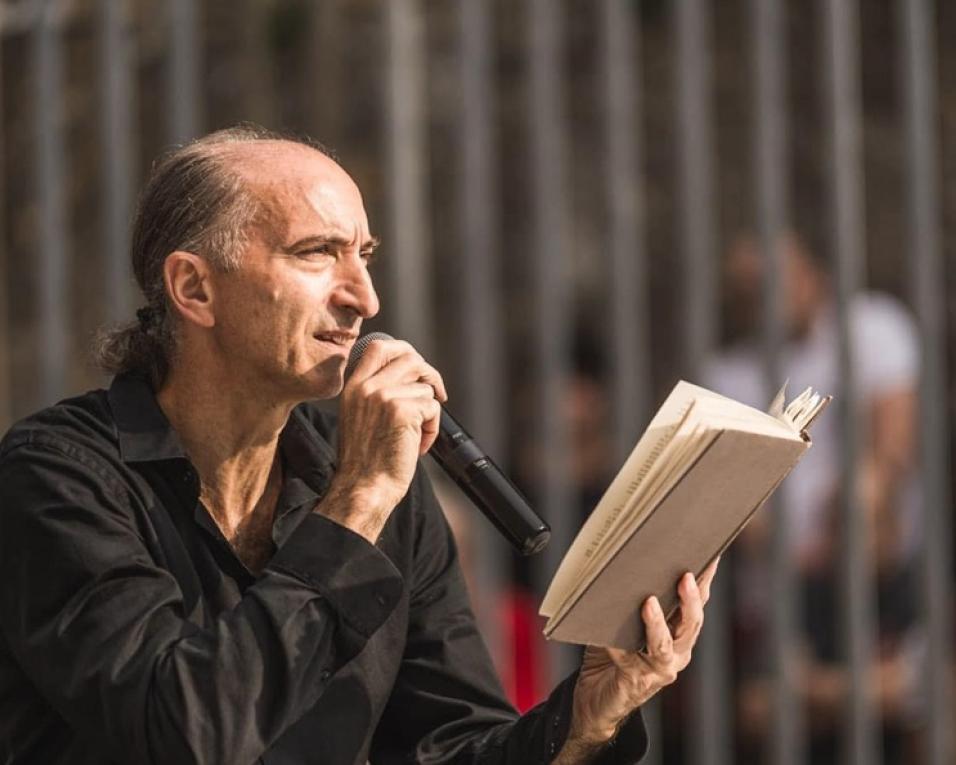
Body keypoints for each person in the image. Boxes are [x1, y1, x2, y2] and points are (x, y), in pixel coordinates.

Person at [0, 125, 717, 765]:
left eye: (365, 255)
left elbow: (448, 744)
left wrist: (590, 716)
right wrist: (357, 500)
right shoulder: (59, 475)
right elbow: (183, 731)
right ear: (194, 288)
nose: (364, 297)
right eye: (317, 254)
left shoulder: (375, 481)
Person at [705, 230, 924, 763]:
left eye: (776, 277)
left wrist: (856, 511)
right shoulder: (725, 373)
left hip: (879, 567)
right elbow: (730, 502)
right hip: (782, 581)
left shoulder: (871, 327)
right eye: (747, 286)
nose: (764, 293)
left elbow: (893, 448)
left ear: (815, 274)